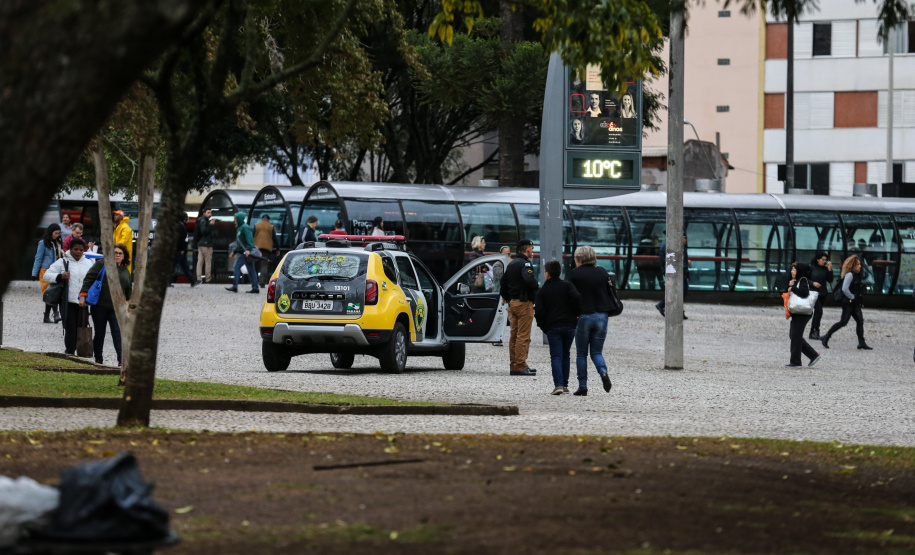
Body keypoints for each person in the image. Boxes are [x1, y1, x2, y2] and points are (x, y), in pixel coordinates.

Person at [568, 245, 614, 395]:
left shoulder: (574, 274)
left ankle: (583, 386)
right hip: (602, 315)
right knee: (596, 352)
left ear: (579, 259)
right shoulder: (602, 272)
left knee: (581, 353)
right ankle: (603, 372)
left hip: (583, 316)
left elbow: (570, 296)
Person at [79, 243, 132, 368]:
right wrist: (82, 295)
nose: (117, 255)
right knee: (100, 333)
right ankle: (98, 359)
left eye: (120, 253)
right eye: (115, 253)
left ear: (124, 256)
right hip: (100, 306)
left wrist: (130, 306)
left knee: (117, 333)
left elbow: (128, 290)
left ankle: (122, 360)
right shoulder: (102, 264)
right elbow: (89, 278)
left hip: (116, 309)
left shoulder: (125, 271)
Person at [535, 260, 581, 395]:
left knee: (556, 355)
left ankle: (558, 384)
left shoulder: (543, 291)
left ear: (547, 274)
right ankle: (565, 384)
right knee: (566, 354)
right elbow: (577, 300)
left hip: (553, 327)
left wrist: (544, 326)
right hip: (569, 325)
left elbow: (539, 312)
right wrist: (576, 317)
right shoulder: (568, 286)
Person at [43, 238, 94, 356]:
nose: (78, 252)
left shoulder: (88, 263)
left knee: (82, 327)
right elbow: (46, 276)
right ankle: (69, 352)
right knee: (70, 328)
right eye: (75, 249)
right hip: (68, 302)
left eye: (81, 250)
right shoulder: (63, 261)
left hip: (83, 302)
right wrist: (60, 276)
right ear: (70, 249)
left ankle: (82, 352)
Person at [499, 239, 539, 376]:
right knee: (523, 336)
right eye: (532, 249)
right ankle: (521, 365)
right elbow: (529, 280)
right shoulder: (525, 263)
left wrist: (508, 297)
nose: (532, 251)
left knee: (514, 336)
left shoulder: (512, 264)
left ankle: (514, 365)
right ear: (527, 249)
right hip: (524, 304)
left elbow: (503, 283)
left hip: (513, 304)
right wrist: (536, 287)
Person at [821, 255, 871, 350]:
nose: (860, 266)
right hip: (848, 302)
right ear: (852, 266)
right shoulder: (850, 275)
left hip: (854, 303)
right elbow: (845, 288)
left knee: (860, 321)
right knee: (843, 322)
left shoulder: (856, 275)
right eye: (858, 265)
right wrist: (851, 296)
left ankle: (861, 342)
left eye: (860, 264)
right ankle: (826, 336)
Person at [785, 262, 821, 368]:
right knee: (793, 335)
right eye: (792, 269)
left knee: (795, 336)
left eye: (794, 270)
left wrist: (793, 288)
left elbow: (804, 293)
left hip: (802, 313)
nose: (792, 271)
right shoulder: (796, 281)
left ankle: (796, 361)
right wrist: (791, 286)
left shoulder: (803, 280)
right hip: (798, 312)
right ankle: (813, 355)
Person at [32, 223, 63, 323]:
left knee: (52, 293)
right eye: (55, 233)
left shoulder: (58, 242)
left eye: (59, 233)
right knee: (49, 293)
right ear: (50, 232)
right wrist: (34, 273)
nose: (57, 235)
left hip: (56, 271)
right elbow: (38, 258)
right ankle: (56, 314)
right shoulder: (43, 243)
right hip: (45, 271)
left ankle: (46, 316)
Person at [656, 234, 690, 320]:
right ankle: (662, 304)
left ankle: (677, 311)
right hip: (676, 272)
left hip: (678, 271)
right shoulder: (671, 245)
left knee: (678, 292)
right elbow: (666, 260)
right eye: (684, 238)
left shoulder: (675, 245)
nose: (685, 240)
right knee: (680, 292)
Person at [227, 211, 259, 294]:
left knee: (236, 267)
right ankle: (255, 287)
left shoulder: (244, 227)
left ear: (239, 219)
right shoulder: (240, 227)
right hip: (243, 251)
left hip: (245, 252)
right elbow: (240, 242)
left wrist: (248, 249)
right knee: (251, 270)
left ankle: (235, 286)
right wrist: (234, 251)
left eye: (235, 218)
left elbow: (250, 239)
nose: (234, 220)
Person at [808, 251, 834, 340]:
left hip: (822, 293)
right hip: (813, 293)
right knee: (819, 311)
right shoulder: (811, 267)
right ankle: (815, 331)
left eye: (825, 260)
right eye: (823, 260)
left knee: (818, 313)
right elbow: (805, 279)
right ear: (818, 260)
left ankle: (814, 331)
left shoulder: (825, 269)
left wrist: (830, 269)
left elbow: (830, 280)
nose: (824, 261)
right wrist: (813, 283)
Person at [491, 246, 512, 347]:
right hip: (499, 294)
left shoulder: (509, 264)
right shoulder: (497, 264)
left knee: (504, 318)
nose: (508, 256)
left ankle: (499, 338)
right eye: (505, 254)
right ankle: (496, 338)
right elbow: (500, 275)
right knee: (499, 317)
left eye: (509, 254)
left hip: (506, 294)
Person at [253, 214, 279, 287]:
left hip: (256, 248)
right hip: (266, 249)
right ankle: (262, 282)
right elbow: (274, 238)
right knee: (264, 266)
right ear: (269, 220)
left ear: (261, 219)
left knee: (255, 265)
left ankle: (254, 281)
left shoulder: (256, 225)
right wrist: (277, 249)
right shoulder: (271, 227)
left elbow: (252, 236)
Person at [172, 213, 195, 287]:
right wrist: (182, 249)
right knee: (173, 266)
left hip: (182, 250)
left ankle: (192, 281)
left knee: (185, 266)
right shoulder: (181, 227)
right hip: (180, 251)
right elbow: (181, 239)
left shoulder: (180, 226)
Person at [194, 208, 216, 283]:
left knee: (200, 261)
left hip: (200, 243)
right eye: (208, 213)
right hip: (206, 244)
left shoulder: (200, 220)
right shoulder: (204, 221)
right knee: (207, 261)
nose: (210, 214)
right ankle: (208, 279)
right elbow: (204, 231)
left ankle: (199, 278)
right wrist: (210, 225)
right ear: (204, 213)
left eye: (211, 212)